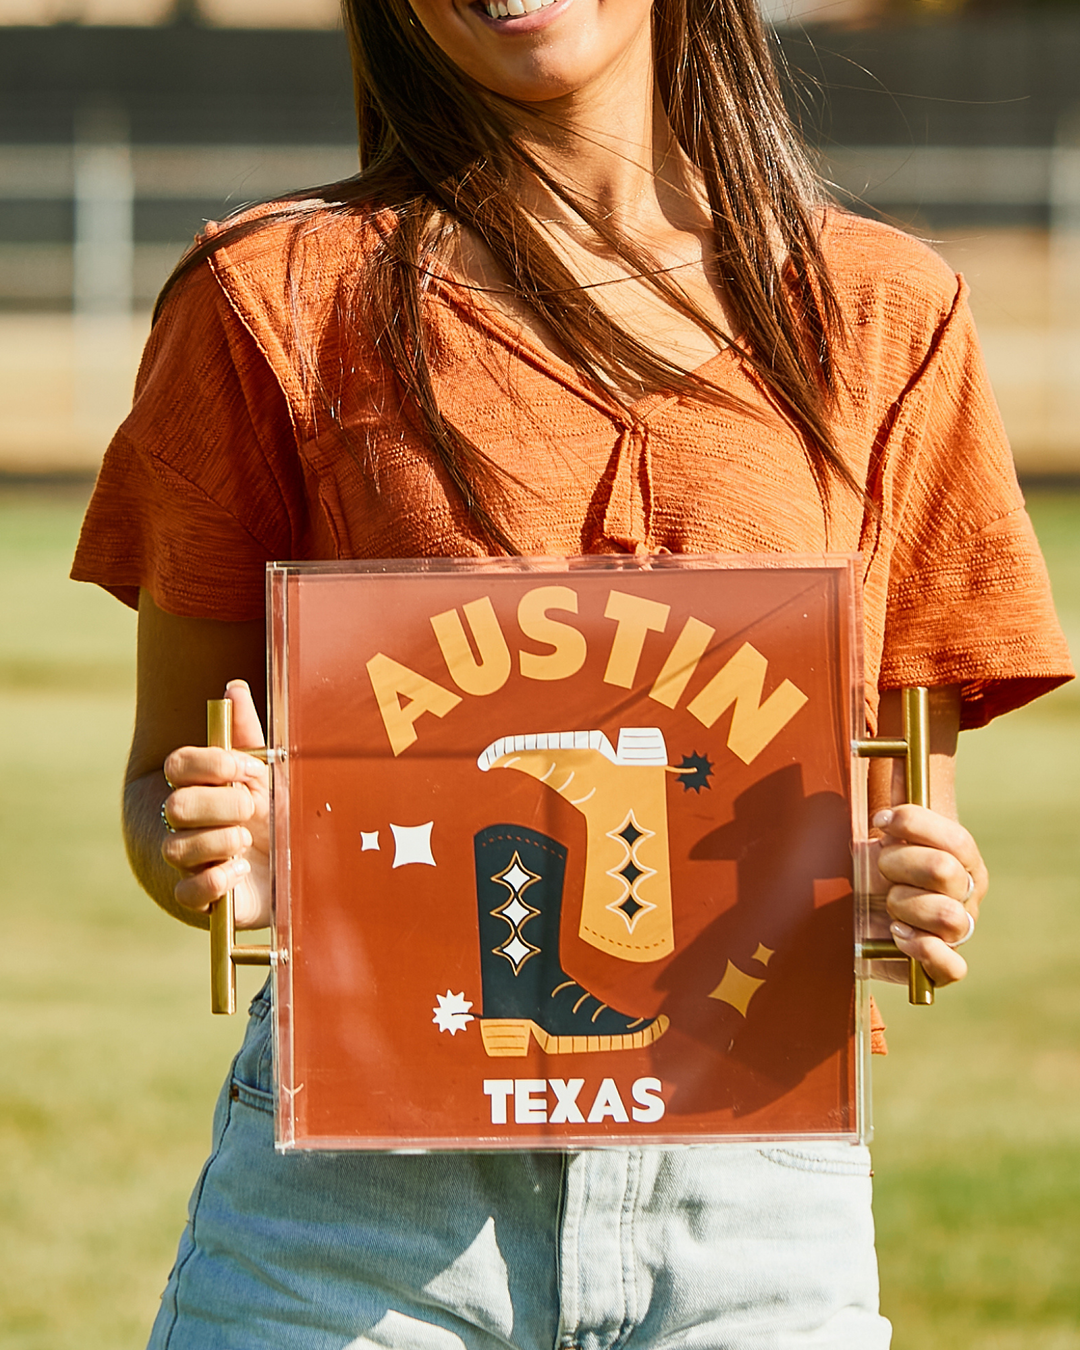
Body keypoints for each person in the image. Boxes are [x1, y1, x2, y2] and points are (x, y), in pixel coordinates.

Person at [72, 0, 1072, 1346]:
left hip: (750, 1203)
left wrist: (914, 886)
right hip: (354, 1219)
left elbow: (894, 828)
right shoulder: (272, 295)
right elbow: (162, 789)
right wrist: (211, 842)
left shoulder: (885, 314)